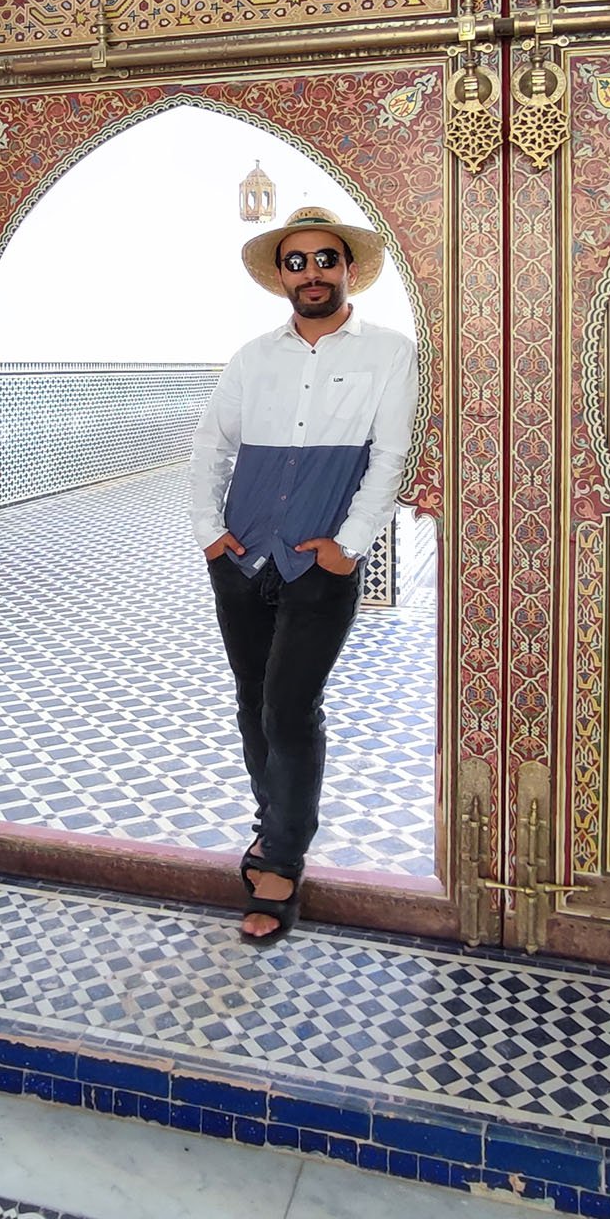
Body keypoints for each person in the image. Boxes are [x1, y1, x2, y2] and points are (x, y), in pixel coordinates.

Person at [189, 205, 419, 946]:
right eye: (297, 262)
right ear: (283, 275)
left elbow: (388, 459)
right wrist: (211, 535)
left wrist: (348, 546)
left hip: (319, 564)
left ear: (349, 269)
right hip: (242, 559)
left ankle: (283, 855)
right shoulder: (254, 357)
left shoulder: (389, 353)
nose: (312, 273)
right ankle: (272, 829)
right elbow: (208, 447)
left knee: (290, 706)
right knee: (252, 701)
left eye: (326, 260)